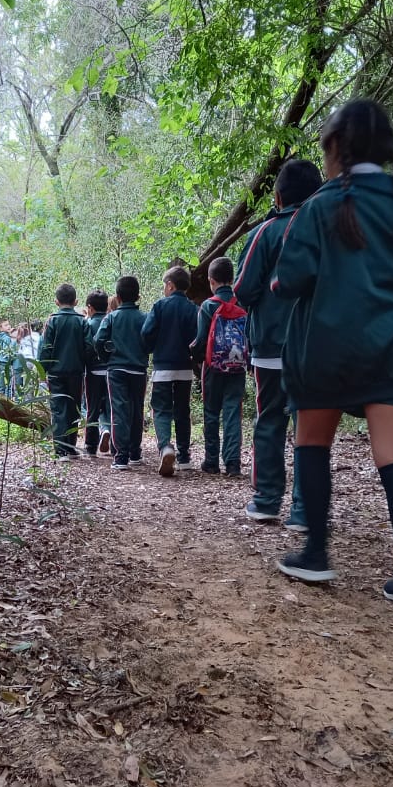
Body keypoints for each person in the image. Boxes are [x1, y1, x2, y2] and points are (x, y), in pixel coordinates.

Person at [272, 99, 393, 602]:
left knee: (312, 443)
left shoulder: (319, 207)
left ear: (335, 148)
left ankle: (316, 554)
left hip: (325, 350)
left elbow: (289, 280)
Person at [234, 159, 323, 529]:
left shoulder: (267, 232)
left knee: (270, 419)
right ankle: (304, 511)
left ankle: (267, 500)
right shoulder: (329, 230)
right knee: (311, 426)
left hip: (271, 347)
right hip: (319, 347)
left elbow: (242, 289)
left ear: (278, 194)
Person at [192, 257, 247, 477]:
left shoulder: (208, 305)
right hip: (238, 366)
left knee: (212, 411)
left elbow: (201, 339)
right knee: (233, 412)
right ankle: (233, 463)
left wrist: (195, 356)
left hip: (213, 367)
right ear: (232, 279)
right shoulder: (242, 303)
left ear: (211, 280)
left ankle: (211, 461)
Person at [141, 265, 198, 476]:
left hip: (163, 367)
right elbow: (197, 337)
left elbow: (146, 332)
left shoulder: (159, 306)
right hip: (184, 368)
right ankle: (184, 457)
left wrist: (150, 349)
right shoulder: (193, 308)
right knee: (183, 411)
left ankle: (165, 447)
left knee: (162, 409)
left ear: (170, 285)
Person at [95, 276, 149, 470]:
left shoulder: (111, 317)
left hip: (116, 369)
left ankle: (121, 457)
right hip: (138, 369)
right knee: (136, 409)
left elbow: (98, 340)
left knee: (119, 410)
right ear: (138, 296)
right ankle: (135, 453)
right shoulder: (145, 317)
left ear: (117, 297)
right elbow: (150, 340)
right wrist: (143, 354)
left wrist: (106, 358)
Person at [38, 285, 88, 458]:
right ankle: (71, 446)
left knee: (59, 409)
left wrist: (42, 369)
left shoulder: (52, 321)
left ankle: (61, 450)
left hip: (56, 373)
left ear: (56, 301)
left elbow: (46, 348)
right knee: (74, 407)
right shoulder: (82, 321)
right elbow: (88, 347)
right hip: (76, 372)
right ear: (76, 301)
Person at [82, 290, 112, 457]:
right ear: (107, 306)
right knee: (111, 406)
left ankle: (91, 446)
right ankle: (114, 442)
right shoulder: (111, 321)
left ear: (89, 307)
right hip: (111, 370)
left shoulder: (88, 324)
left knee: (92, 408)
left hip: (93, 371)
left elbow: (85, 347)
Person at [0, 320, 17, 398]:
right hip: (5, 364)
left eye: (8, 324)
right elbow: (7, 353)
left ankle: (1, 400)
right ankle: (8, 402)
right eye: (6, 325)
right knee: (9, 385)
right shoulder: (6, 338)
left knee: (1, 384)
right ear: (0, 328)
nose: (9, 326)